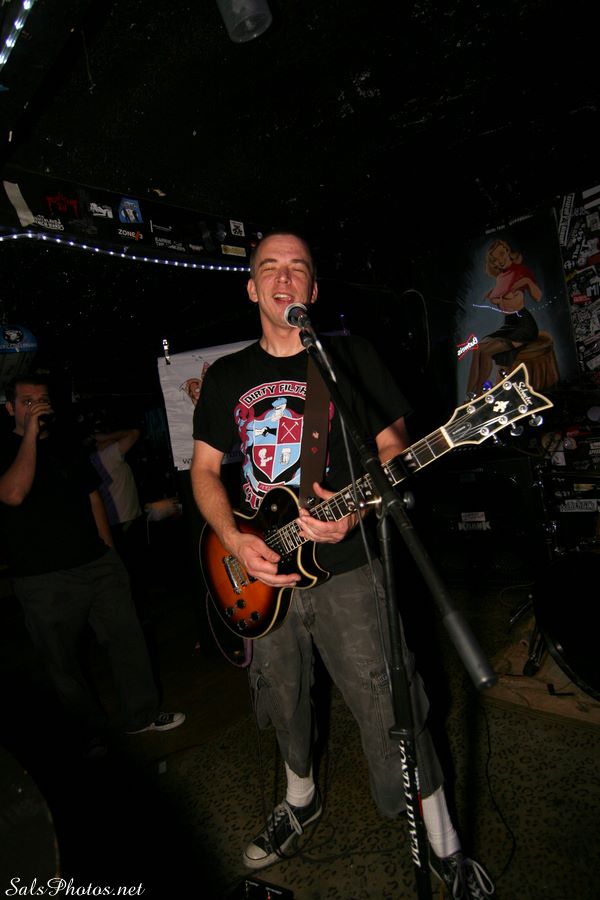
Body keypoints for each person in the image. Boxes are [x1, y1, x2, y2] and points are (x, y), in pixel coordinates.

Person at [190, 231, 494, 898]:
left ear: (313, 288)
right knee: (281, 695)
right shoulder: (226, 376)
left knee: (390, 701)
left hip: (350, 566)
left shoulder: (349, 358)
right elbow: (205, 470)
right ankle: (299, 801)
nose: (284, 277)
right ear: (251, 286)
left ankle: (443, 842)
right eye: (270, 267)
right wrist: (233, 539)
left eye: (297, 268)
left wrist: (358, 510)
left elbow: (394, 446)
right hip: (258, 568)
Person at [0, 375, 185, 756]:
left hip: (96, 564)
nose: (37, 406)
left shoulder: (65, 444)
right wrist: (30, 435)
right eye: (27, 401)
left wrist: (109, 554)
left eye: (42, 399)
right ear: (9, 408)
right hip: (42, 578)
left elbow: (93, 498)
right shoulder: (4, 447)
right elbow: (13, 494)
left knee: (127, 639)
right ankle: (90, 735)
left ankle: (142, 715)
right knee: (62, 661)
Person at [466, 238, 542, 397]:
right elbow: (502, 301)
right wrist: (494, 297)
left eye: (501, 254)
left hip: (524, 325)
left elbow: (538, 296)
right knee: (478, 349)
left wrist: (527, 281)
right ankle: (469, 396)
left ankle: (478, 394)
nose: (499, 261)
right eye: (494, 259)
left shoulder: (519, 271)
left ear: (508, 251)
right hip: (510, 323)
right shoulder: (501, 278)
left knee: (486, 352)